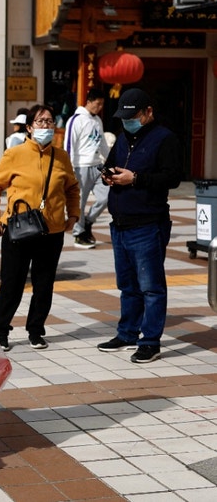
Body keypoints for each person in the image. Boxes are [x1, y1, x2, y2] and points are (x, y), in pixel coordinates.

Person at [96, 88, 182, 364]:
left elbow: (172, 178)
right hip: (120, 223)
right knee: (127, 285)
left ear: (148, 113)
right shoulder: (122, 138)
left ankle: (151, 341)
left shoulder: (164, 138)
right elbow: (111, 165)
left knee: (151, 287)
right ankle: (127, 333)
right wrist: (109, 177)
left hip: (148, 224)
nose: (127, 121)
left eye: (133, 116)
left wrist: (135, 179)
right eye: (124, 117)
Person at [0, 104, 80, 351]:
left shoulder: (61, 157)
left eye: (49, 121)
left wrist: (74, 214)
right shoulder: (14, 154)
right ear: (29, 127)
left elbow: (72, 188)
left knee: (44, 283)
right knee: (11, 282)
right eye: (40, 122)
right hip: (19, 228)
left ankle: (36, 330)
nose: (45, 126)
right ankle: (1, 330)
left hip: (52, 230)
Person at [65, 88, 110, 249]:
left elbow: (103, 143)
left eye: (102, 104)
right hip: (80, 166)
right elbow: (69, 146)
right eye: (98, 104)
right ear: (89, 101)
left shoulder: (97, 120)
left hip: (98, 165)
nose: (100, 107)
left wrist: (111, 162)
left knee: (107, 196)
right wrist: (69, 169)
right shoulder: (75, 120)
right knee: (79, 203)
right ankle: (79, 233)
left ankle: (89, 222)